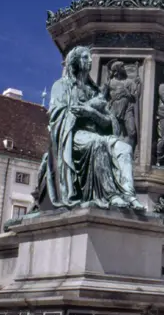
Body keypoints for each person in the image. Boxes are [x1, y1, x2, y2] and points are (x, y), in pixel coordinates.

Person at [33, 46, 145, 211]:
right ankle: (111, 195)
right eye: (85, 58)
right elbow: (57, 115)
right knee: (98, 143)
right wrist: (86, 109)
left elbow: (108, 121)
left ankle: (129, 195)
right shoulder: (62, 86)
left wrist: (92, 113)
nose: (90, 61)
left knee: (124, 148)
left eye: (90, 57)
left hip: (94, 133)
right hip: (72, 135)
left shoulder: (95, 91)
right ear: (76, 62)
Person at [106, 60, 139, 148]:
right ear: (116, 70)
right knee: (115, 133)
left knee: (132, 132)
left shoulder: (129, 82)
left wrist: (130, 90)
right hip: (114, 110)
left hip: (128, 109)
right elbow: (102, 97)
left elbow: (135, 96)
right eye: (122, 67)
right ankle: (115, 154)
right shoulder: (110, 83)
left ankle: (129, 153)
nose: (124, 69)